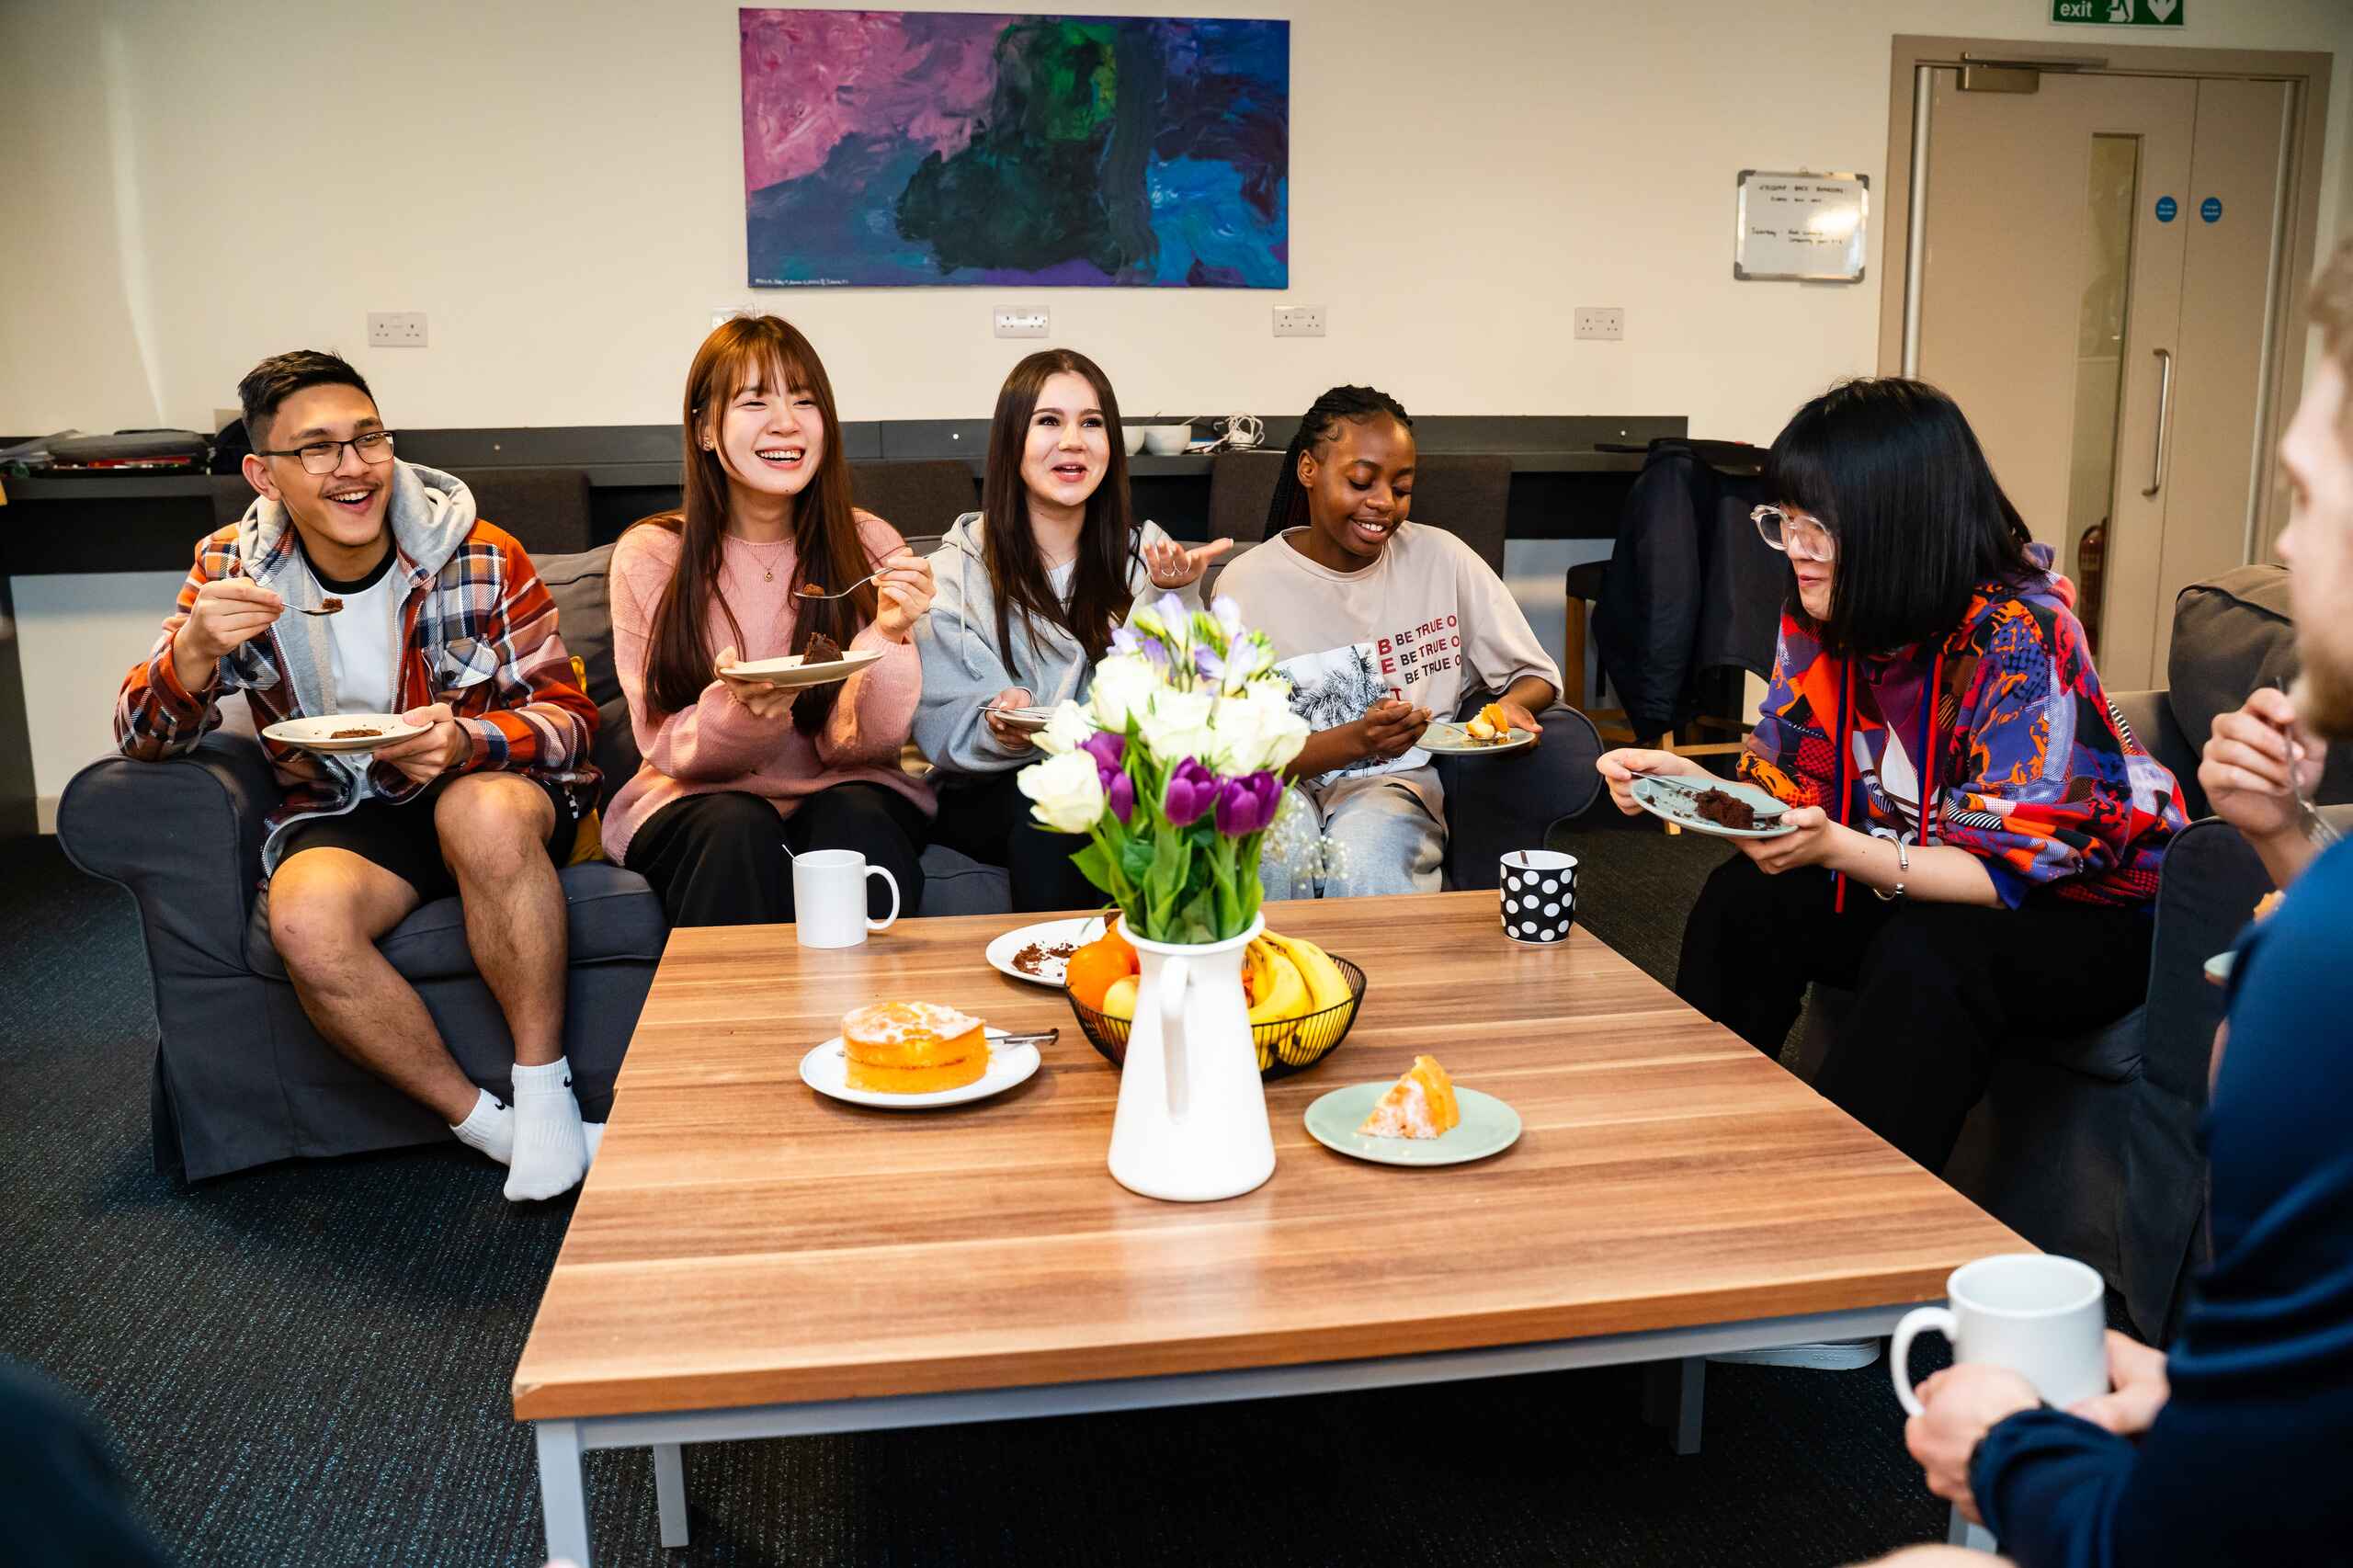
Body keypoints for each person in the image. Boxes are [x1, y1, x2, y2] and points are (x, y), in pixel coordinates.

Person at [1897, 244, 2353, 1567]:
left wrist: (2008, 1445)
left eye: (2309, 492)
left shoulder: (2315, 972)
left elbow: (2173, 1542)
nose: (2280, 539)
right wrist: (2209, 1405)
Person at [1599, 378, 2185, 1177]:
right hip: (1920, 868)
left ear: (1898, 528)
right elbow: (1789, 793)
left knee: (1935, 954)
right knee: (1747, 902)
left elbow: (2004, 870)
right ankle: (1694, 1144)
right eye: (1785, 523)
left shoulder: (2019, 636)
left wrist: (1837, 847)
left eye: (1819, 529)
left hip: (2090, 912)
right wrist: (1689, 785)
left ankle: (1844, 1208)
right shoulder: (1821, 610)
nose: (1795, 550)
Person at [115, 350, 603, 1201]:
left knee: (478, 815)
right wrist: (193, 653)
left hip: (484, 792)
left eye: (367, 438)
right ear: (263, 475)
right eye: (318, 449)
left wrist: (468, 742)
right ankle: (493, 1127)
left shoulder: (482, 554)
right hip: (348, 808)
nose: (352, 466)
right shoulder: (230, 568)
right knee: (303, 918)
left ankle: (543, 1088)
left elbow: (567, 721)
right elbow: (142, 741)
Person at [604, 315, 936, 925]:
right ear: (705, 429)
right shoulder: (654, 554)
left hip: (847, 786)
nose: (786, 422)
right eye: (756, 401)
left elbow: (861, 747)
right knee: (736, 825)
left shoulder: (866, 544)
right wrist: (744, 718)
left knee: (857, 818)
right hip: (693, 798)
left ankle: (879, 1021)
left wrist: (888, 634)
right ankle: (735, 1024)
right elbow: (665, 742)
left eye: (804, 401)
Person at [1212, 385, 1562, 897]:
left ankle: (1377, 980)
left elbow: (1537, 676)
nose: (1383, 503)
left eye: (1401, 488)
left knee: (1367, 861)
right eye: (1360, 481)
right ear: (1309, 469)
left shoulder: (1443, 560)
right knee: (1273, 851)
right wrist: (1357, 740)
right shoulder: (1245, 585)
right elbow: (1232, 756)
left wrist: (1508, 708)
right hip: (1279, 785)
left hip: (1392, 787)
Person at [913, 348, 1227, 909]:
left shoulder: (1147, 559)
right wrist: (994, 722)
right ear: (1011, 441)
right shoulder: (953, 572)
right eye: (1049, 422)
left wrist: (1174, 595)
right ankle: (1061, 981)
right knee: (1055, 805)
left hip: (1119, 780)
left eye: (1091, 422)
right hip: (987, 791)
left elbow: (1180, 707)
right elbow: (944, 726)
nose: (1073, 441)